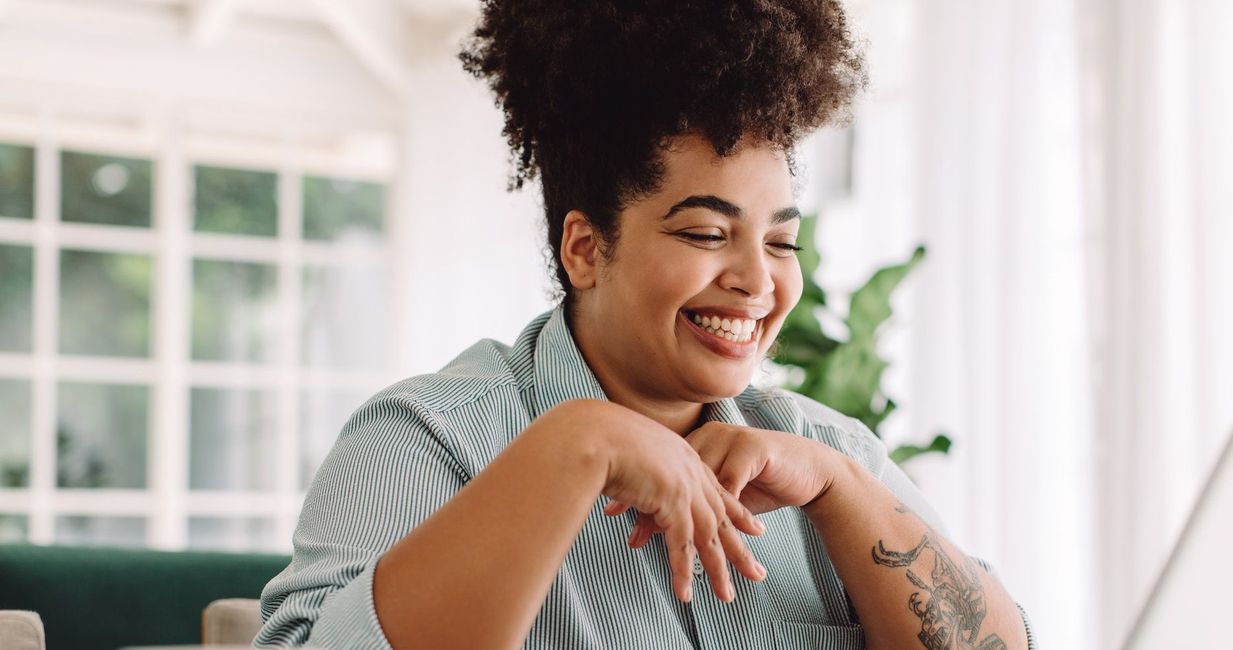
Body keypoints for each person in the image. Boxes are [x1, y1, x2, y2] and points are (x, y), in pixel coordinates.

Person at [257, 1, 1034, 648]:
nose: (758, 280)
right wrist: (577, 446)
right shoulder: (423, 441)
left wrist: (840, 492)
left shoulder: (831, 457)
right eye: (705, 233)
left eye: (780, 241)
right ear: (587, 248)